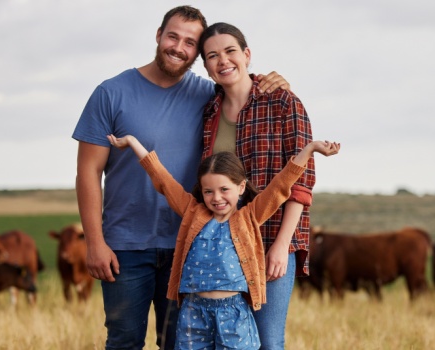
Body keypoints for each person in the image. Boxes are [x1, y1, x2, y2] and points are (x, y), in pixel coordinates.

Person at [72, 6, 290, 350]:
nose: (179, 47)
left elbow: (241, 84)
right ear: (159, 35)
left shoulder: (208, 94)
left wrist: (271, 81)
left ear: (196, 53)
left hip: (189, 245)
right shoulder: (111, 93)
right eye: (173, 36)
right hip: (125, 245)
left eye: (190, 42)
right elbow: (88, 172)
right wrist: (94, 242)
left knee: (178, 343)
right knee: (124, 339)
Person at [106, 133, 340, 349]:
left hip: (234, 313)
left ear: (240, 187)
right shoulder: (192, 213)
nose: (216, 198)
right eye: (208, 191)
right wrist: (133, 143)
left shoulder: (249, 217)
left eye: (224, 189)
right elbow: (164, 182)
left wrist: (309, 149)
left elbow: (280, 186)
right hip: (193, 311)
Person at [197, 22, 315, 348]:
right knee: (227, 339)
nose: (223, 61)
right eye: (212, 56)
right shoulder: (209, 112)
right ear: (206, 67)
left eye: (230, 51)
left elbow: (302, 181)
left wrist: (282, 245)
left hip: (271, 239)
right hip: (223, 244)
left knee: (267, 341)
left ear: (247, 54)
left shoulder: (283, 102)